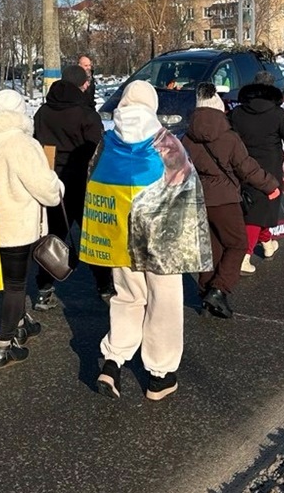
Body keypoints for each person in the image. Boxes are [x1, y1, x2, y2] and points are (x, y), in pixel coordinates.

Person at [81, 81, 210, 402]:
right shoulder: (165, 142)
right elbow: (186, 190)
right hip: (159, 240)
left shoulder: (108, 142)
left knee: (127, 297)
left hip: (120, 238)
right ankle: (160, 376)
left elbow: (92, 183)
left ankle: (112, 362)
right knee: (164, 302)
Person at [0, 90, 62, 368]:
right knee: (16, 286)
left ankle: (20, 323)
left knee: (6, 284)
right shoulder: (22, 143)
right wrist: (58, 187)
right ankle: (3, 345)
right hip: (17, 227)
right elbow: (45, 189)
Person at [182, 84, 279, 319]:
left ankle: (205, 294)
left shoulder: (186, 138)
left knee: (212, 248)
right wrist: (270, 185)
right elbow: (247, 167)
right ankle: (218, 290)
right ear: (219, 108)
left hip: (198, 199)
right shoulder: (228, 137)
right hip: (225, 199)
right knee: (237, 244)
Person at [33, 64, 112, 307]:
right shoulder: (86, 114)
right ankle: (104, 286)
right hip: (82, 181)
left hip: (52, 180)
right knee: (93, 234)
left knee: (54, 235)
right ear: (81, 84)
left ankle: (44, 288)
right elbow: (97, 149)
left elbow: (37, 142)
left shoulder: (43, 112)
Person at [229, 71, 284, 274]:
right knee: (256, 215)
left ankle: (268, 243)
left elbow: (228, 140)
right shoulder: (277, 114)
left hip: (243, 168)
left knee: (258, 209)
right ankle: (245, 256)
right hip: (270, 172)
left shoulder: (237, 113)